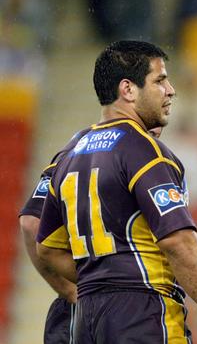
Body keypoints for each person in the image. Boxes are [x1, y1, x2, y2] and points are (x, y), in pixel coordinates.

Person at [35, 40, 197, 344]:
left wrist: (102, 282)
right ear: (128, 89)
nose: (171, 90)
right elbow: (178, 241)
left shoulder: (68, 154)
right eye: (160, 80)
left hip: (87, 321)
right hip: (144, 314)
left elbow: (48, 248)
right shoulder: (143, 150)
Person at [18, 126, 163, 343]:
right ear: (129, 92)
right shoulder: (140, 155)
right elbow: (31, 224)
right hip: (127, 307)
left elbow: (31, 223)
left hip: (83, 310)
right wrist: (71, 290)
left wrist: (71, 290)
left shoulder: (76, 148)